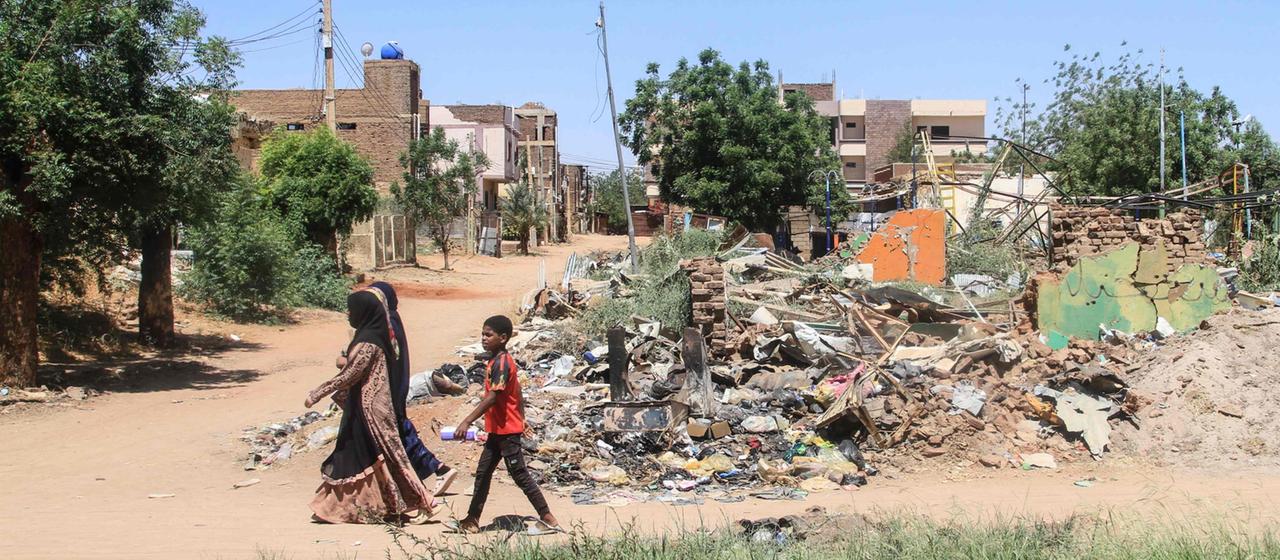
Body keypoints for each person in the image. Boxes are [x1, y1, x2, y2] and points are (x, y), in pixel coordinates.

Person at [304, 289, 435, 524]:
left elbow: (349, 375)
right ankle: (350, 507)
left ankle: (424, 500)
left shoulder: (369, 342)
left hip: (372, 410)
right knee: (363, 455)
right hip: (364, 408)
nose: (348, 314)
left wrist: (317, 393)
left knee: (393, 457)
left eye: (351, 310)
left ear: (363, 312)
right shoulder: (372, 335)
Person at [445, 315, 562, 535]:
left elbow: (493, 397)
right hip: (498, 429)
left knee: (519, 474)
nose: (484, 338)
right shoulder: (498, 360)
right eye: (482, 334)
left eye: (489, 335)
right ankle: (471, 520)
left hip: (507, 430)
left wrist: (467, 420)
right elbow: (516, 391)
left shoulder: (501, 363)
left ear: (503, 337)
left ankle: (548, 518)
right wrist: (522, 416)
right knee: (483, 472)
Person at [367, 281, 458, 497]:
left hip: (386, 391)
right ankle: (431, 471)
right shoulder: (390, 321)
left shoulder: (385, 325)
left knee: (397, 432)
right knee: (397, 431)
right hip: (393, 389)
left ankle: (434, 470)